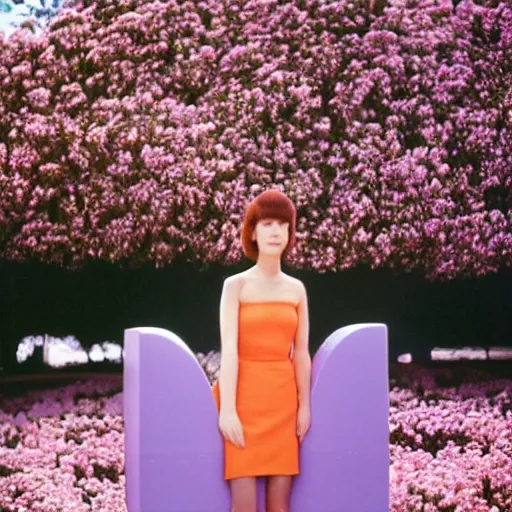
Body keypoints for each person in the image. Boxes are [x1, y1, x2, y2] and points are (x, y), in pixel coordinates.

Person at [212, 189, 312, 512]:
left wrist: (304, 405)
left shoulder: (297, 289)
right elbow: (228, 351)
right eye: (267, 223)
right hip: (244, 401)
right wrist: (227, 409)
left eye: (282, 224)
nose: (274, 231)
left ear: (289, 233)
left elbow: (301, 353)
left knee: (280, 504)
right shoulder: (235, 286)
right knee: (243, 504)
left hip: (283, 404)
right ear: (253, 232)